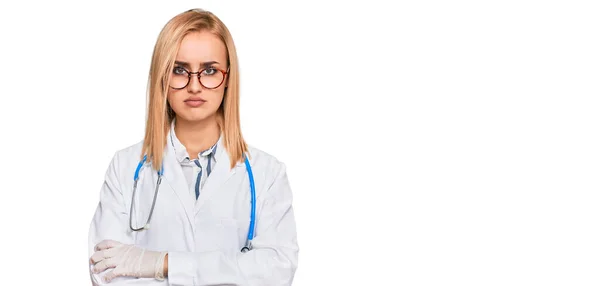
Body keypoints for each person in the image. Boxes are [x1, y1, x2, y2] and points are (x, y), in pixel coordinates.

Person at [88, 8, 299, 285]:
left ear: (228, 79)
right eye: (179, 70)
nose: (195, 86)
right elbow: (106, 271)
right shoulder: (125, 167)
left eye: (210, 71)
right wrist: (229, 270)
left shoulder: (267, 173)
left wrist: (162, 263)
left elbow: (276, 271)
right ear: (162, 77)